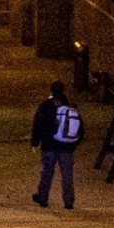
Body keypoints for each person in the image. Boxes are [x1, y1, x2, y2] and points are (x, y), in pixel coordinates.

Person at [31, 80, 83, 209]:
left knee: (47, 172)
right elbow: (80, 128)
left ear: (51, 91)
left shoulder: (45, 105)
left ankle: (43, 198)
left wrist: (35, 142)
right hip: (66, 148)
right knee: (67, 174)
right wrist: (74, 143)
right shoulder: (70, 107)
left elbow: (38, 125)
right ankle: (69, 202)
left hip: (49, 145)